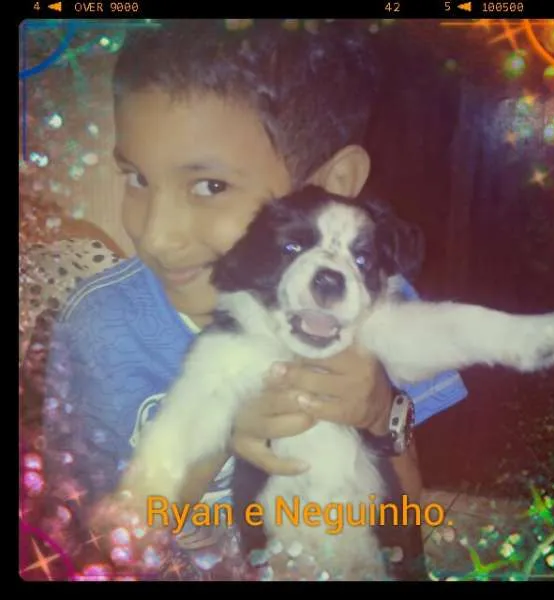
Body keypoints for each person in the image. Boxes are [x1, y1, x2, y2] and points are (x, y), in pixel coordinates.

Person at [35, 19, 468, 581]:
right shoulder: (100, 328)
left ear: (335, 185)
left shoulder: (373, 301)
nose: (156, 236)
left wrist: (382, 414)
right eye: (136, 177)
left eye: (210, 186)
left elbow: (402, 524)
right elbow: (89, 551)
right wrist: (219, 429)